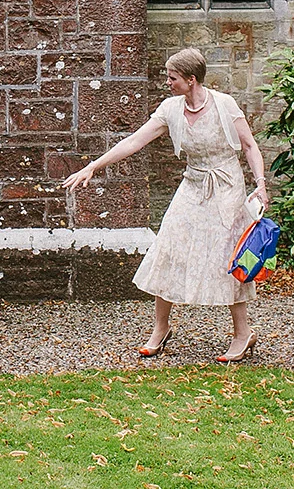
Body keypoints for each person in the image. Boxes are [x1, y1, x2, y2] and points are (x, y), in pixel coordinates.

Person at [62, 48, 269, 363]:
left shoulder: (224, 105)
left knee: (229, 259)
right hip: (193, 185)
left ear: (191, 80)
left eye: (172, 78)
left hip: (226, 188)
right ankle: (161, 328)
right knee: (169, 248)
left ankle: (242, 334)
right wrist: (93, 166)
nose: (167, 83)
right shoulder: (171, 109)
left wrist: (261, 185)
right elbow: (134, 141)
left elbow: (250, 145)